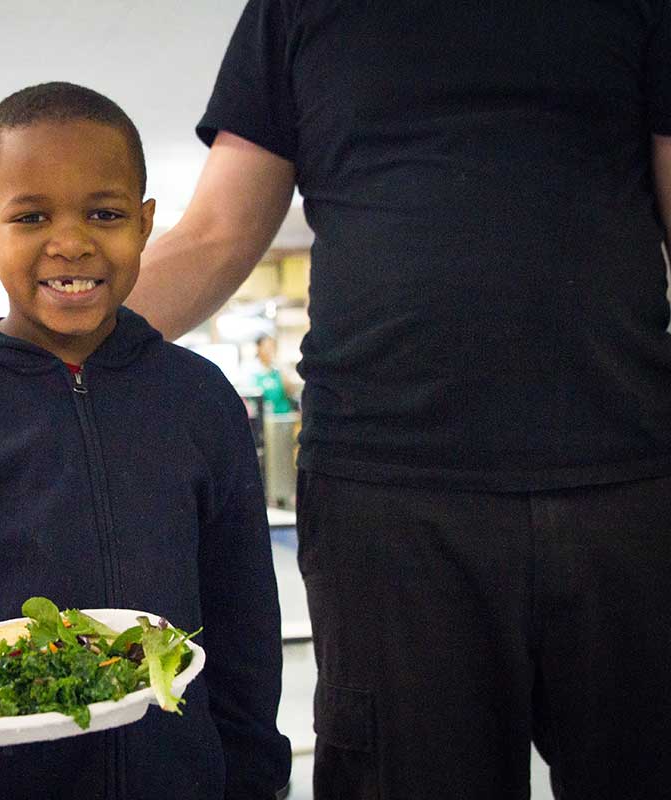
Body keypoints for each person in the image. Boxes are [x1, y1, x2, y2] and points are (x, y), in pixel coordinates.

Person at [127, 2, 671, 798]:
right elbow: (215, 234)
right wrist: (29, 346)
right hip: (386, 497)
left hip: (622, 483)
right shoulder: (297, 10)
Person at [0, 82, 292, 800]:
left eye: (104, 214)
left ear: (144, 224)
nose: (71, 241)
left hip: (173, 779)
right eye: (32, 215)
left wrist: (255, 776)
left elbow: (244, 620)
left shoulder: (200, 400)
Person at [250, 334, 294, 414]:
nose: (269, 351)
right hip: (263, 418)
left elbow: (290, 390)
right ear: (258, 348)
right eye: (266, 347)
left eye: (272, 347)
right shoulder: (251, 371)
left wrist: (281, 368)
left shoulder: (278, 369)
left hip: (282, 416)